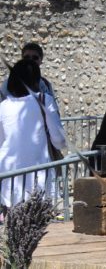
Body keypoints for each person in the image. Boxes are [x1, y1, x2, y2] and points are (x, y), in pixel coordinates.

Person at [0, 59, 67, 207]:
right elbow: (59, 140)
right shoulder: (44, 100)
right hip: (39, 175)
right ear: (36, 80)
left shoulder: (2, 107)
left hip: (9, 177)